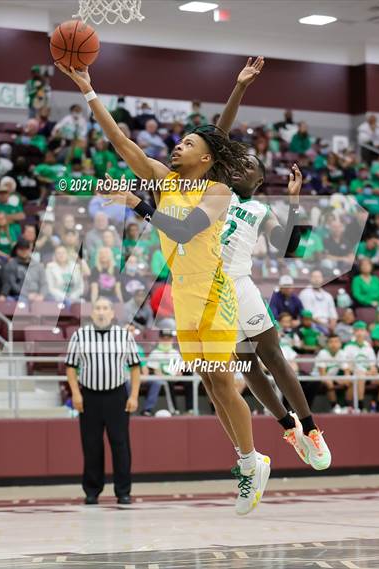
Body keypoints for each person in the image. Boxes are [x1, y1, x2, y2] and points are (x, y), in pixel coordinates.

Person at [56, 60, 271, 517]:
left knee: (222, 379)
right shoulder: (164, 178)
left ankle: (252, 461)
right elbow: (121, 141)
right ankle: (248, 461)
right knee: (211, 384)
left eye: (188, 143)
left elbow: (185, 231)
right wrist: (89, 90)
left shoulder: (217, 193)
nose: (177, 146)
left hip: (214, 291)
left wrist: (138, 206)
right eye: (178, 140)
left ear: (206, 158)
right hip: (184, 294)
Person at [212, 56, 330, 470]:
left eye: (248, 165)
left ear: (258, 180)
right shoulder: (214, 194)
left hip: (240, 283)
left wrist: (296, 205)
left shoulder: (260, 208)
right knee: (246, 366)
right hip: (211, 292)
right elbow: (218, 136)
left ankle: (312, 428)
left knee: (272, 357)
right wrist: (240, 86)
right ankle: (288, 427)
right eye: (236, 162)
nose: (238, 165)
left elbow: (292, 248)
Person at [65, 297, 141, 504]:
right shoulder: (80, 335)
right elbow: (70, 367)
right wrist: (76, 393)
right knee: (91, 446)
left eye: (105, 308)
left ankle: (123, 491)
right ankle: (92, 491)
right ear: (92, 313)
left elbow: (135, 367)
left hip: (117, 396)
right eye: (97, 308)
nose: (101, 311)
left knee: (121, 445)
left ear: (112, 313)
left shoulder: (124, 336)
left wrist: (134, 396)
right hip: (89, 397)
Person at [343, 321, 379, 411]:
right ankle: (360, 406)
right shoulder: (348, 346)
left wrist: (372, 370)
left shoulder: (368, 346)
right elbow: (347, 365)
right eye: (357, 330)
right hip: (356, 374)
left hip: (368, 374)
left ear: (366, 332)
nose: (360, 333)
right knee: (360, 376)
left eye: (362, 330)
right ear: (354, 332)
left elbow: (373, 365)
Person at [144, 329, 182, 416]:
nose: (166, 341)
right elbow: (156, 371)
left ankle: (189, 409)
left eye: (168, 339)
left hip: (175, 378)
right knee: (166, 383)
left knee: (189, 382)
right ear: (160, 339)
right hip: (162, 378)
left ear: (172, 340)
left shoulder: (175, 353)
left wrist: (177, 374)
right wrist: (166, 377)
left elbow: (179, 369)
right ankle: (174, 409)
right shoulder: (155, 353)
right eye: (164, 339)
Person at [314, 334, 349, 412]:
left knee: (349, 380)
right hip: (317, 378)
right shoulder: (322, 353)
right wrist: (336, 380)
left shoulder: (342, 353)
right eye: (331, 342)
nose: (334, 344)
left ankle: (348, 406)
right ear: (327, 344)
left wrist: (346, 379)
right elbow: (323, 374)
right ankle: (335, 406)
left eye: (336, 342)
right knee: (329, 382)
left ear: (340, 344)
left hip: (332, 377)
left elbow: (347, 371)